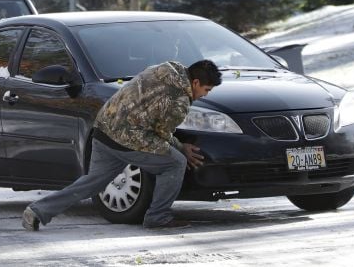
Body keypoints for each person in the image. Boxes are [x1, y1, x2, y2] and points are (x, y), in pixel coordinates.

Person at [22, 59, 222, 231]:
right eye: (206, 89)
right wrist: (182, 147)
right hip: (127, 138)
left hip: (102, 130)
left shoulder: (167, 68)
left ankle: (37, 211)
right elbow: (162, 132)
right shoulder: (179, 101)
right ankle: (158, 217)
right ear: (195, 82)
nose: (205, 95)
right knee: (176, 163)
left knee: (92, 183)